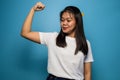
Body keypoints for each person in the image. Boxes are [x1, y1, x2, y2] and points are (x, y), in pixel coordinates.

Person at [21, 2, 94, 80]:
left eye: (68, 20)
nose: (64, 23)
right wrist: (33, 10)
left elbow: (87, 73)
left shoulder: (85, 43)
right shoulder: (52, 38)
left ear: (77, 22)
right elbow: (25, 33)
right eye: (62, 20)